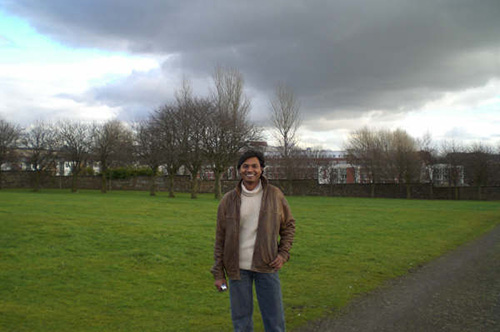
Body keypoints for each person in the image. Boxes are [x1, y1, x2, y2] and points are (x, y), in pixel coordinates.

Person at [211, 150, 296, 332]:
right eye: (245, 166)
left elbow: (288, 226)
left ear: (262, 169)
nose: (250, 170)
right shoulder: (228, 200)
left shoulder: (275, 195)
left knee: (275, 321)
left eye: (254, 166)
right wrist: (218, 273)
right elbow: (220, 238)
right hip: (237, 269)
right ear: (239, 170)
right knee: (241, 323)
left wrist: (283, 254)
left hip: (267, 266)